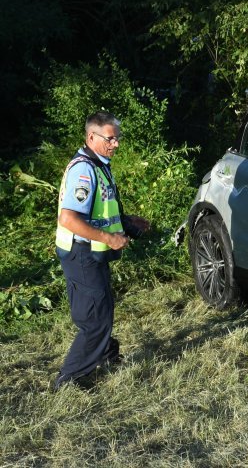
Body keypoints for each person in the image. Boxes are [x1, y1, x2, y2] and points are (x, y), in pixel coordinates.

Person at [53, 111, 150, 389]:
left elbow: (99, 210)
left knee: (99, 309)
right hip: (81, 252)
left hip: (88, 253)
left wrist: (128, 222)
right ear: (91, 137)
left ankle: (106, 355)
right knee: (95, 319)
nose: (116, 143)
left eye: (117, 138)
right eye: (111, 138)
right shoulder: (84, 170)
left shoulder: (98, 164)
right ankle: (70, 378)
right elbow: (69, 218)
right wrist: (109, 238)